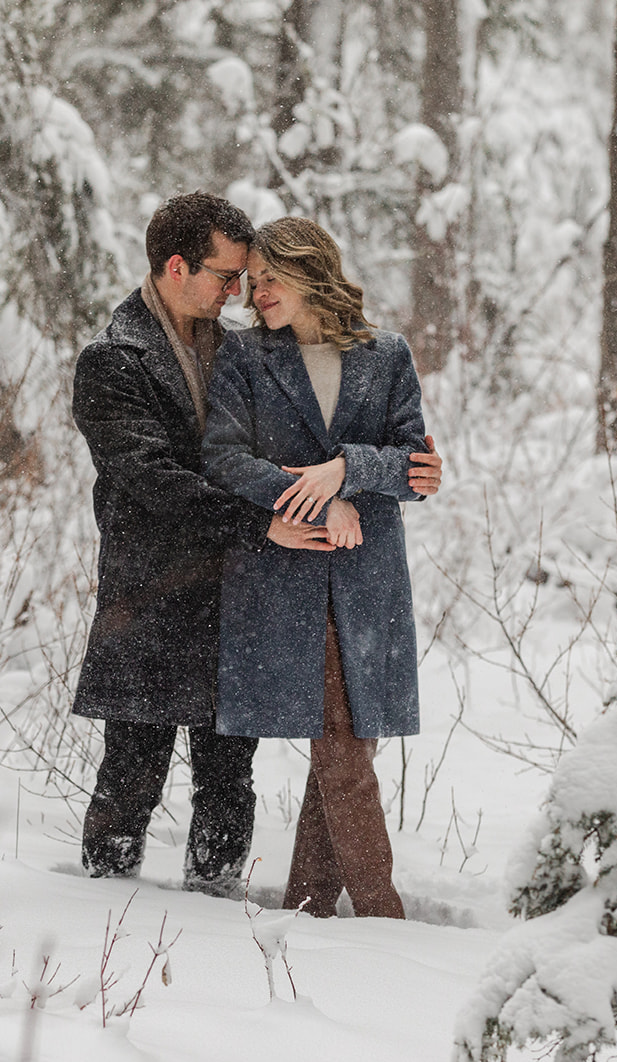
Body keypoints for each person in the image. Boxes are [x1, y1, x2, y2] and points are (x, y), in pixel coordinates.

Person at [70, 193, 440, 897]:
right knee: (132, 767)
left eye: (249, 277)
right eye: (227, 275)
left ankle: (219, 912)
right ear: (178, 267)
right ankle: (98, 912)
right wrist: (261, 519)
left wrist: (386, 469)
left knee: (226, 777)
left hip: (236, 588)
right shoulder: (114, 361)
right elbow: (154, 480)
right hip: (152, 592)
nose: (239, 291)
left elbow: (368, 446)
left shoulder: (236, 343)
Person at [202, 217, 428, 919]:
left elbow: (415, 469)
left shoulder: (386, 354)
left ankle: (307, 906)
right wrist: (309, 500)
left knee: (344, 742)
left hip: (369, 583)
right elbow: (224, 457)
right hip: (285, 575)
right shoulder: (243, 358)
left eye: (271, 277)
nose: (257, 292)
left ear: (311, 271)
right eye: (253, 281)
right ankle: (382, 913)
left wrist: (347, 470)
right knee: (342, 745)